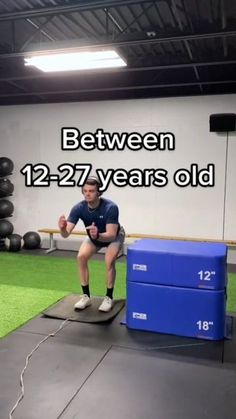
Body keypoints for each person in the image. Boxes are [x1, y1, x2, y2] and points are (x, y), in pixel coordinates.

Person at [58, 175, 125, 312]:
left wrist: (98, 234)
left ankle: (108, 297)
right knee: (81, 257)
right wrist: (62, 228)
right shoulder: (78, 208)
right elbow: (66, 234)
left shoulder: (111, 207)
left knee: (109, 260)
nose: (88, 194)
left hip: (114, 236)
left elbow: (111, 234)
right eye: (85, 191)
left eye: (92, 191)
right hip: (94, 236)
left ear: (98, 192)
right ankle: (86, 296)